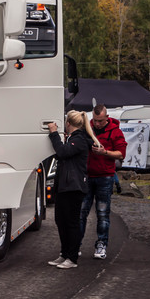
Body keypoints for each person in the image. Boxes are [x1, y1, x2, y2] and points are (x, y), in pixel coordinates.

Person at [47, 110, 99, 269]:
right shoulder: (74, 139)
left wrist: (54, 134)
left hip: (74, 187)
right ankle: (64, 254)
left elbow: (62, 152)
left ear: (68, 123)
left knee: (71, 222)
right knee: (61, 221)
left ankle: (72, 258)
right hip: (66, 186)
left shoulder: (80, 139)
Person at [80, 104, 127, 259]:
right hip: (88, 175)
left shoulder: (115, 132)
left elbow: (121, 154)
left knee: (102, 213)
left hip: (105, 177)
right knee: (81, 212)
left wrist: (104, 152)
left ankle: (101, 244)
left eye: (100, 121)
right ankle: (76, 244)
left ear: (107, 117)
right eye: (95, 120)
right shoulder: (87, 128)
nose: (97, 124)